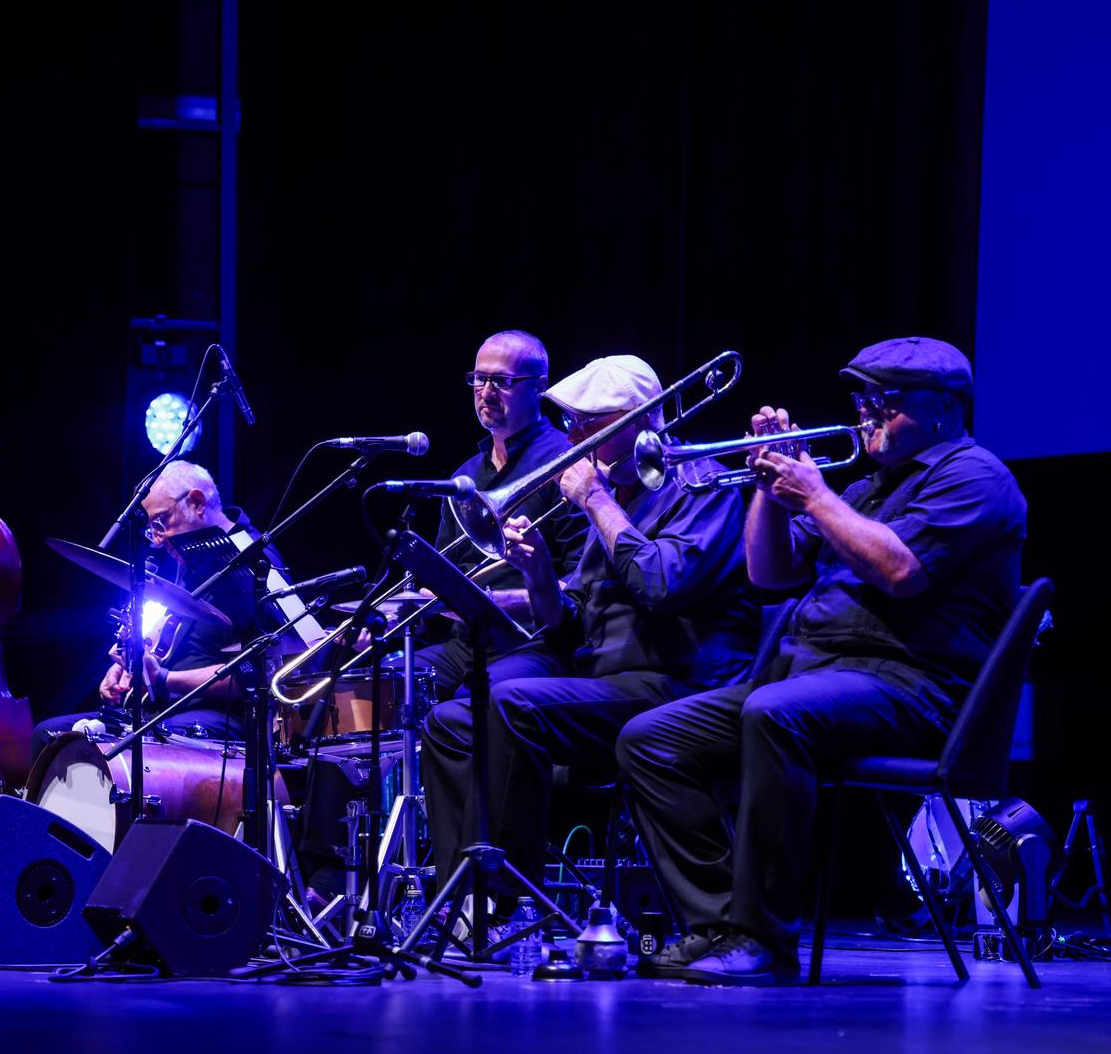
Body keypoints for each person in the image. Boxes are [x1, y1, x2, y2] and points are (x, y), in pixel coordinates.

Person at [616, 337, 1026, 985]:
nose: (868, 414)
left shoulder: (976, 476)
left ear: (945, 409)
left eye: (887, 402)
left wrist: (811, 492)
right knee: (651, 740)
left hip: (914, 686)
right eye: (863, 398)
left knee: (775, 714)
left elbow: (899, 571)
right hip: (816, 679)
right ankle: (721, 921)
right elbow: (768, 572)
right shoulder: (864, 488)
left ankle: (762, 942)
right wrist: (768, 485)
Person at [421, 355, 760, 928]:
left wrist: (595, 502)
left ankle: (511, 897)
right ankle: (470, 895)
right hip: (606, 678)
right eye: (573, 423)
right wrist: (539, 576)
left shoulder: (701, 484)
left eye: (588, 425)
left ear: (639, 421)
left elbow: (661, 583)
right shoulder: (617, 496)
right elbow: (567, 621)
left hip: (678, 683)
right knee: (451, 721)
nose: (574, 439)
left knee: (512, 702)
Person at [30, 460, 291, 756]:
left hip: (220, 717)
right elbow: (167, 634)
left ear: (196, 502)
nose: (156, 539)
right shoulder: (187, 554)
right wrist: (128, 665)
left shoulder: (255, 560)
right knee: (48, 735)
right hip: (164, 710)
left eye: (161, 522)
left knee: (127, 746)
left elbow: (264, 670)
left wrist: (164, 679)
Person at [409, 330, 587, 698]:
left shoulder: (568, 464)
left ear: (539, 386)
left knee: (469, 699)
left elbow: (581, 587)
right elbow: (446, 574)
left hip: (536, 643)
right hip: (467, 643)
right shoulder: (465, 476)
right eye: (479, 378)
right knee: (389, 684)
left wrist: (498, 602)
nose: (485, 391)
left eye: (502, 381)